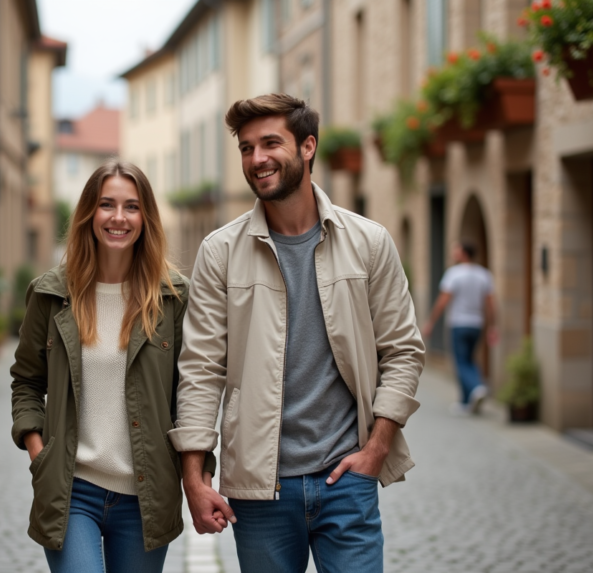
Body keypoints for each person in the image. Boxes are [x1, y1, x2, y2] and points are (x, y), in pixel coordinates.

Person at [168, 94, 425, 573]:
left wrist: (377, 447)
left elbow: (404, 351)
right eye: (246, 148)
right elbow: (200, 369)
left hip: (346, 478)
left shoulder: (369, 242)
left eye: (270, 143)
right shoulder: (219, 252)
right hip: (260, 489)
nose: (257, 159)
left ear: (308, 147)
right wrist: (195, 477)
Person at [10, 161, 212, 573]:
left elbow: (194, 392)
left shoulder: (173, 298)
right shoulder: (50, 295)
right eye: (107, 205)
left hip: (146, 496)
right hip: (70, 492)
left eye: (131, 207)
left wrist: (199, 473)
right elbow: (26, 381)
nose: (119, 217)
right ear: (89, 213)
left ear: (146, 218)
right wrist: (38, 452)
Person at [422, 241, 497, 414]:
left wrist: (431, 322)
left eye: (457, 249)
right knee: (469, 359)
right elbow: (491, 303)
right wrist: (493, 325)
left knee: (461, 361)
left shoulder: (454, 274)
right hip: (477, 324)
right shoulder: (484, 275)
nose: (454, 252)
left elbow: (443, 301)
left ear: (464, 253)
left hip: (458, 324)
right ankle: (465, 402)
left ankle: (477, 386)